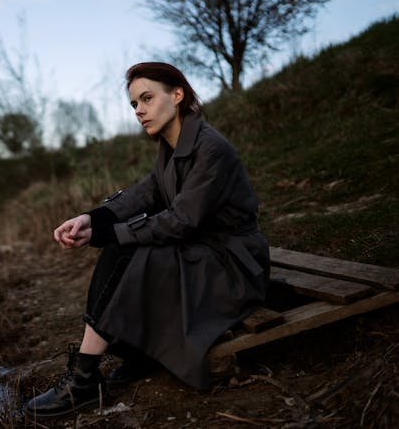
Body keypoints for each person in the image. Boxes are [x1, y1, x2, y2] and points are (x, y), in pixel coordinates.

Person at [25, 62, 270, 418]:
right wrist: (92, 218)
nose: (139, 110)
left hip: (233, 266)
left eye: (146, 98)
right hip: (204, 253)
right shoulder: (172, 147)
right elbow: (145, 193)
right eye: (134, 103)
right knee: (123, 246)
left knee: (127, 249)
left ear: (177, 94)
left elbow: (182, 221)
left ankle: (82, 380)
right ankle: (116, 362)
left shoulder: (210, 149)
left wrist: (107, 234)